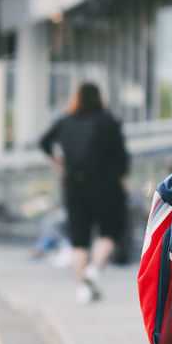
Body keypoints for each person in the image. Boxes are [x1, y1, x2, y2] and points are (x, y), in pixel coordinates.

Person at [39, 80, 130, 303]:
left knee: (79, 239)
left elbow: (43, 142)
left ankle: (82, 288)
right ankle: (94, 270)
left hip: (74, 184)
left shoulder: (64, 122)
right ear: (99, 97)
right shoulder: (108, 121)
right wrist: (121, 176)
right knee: (110, 231)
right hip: (105, 185)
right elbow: (121, 155)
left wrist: (59, 162)